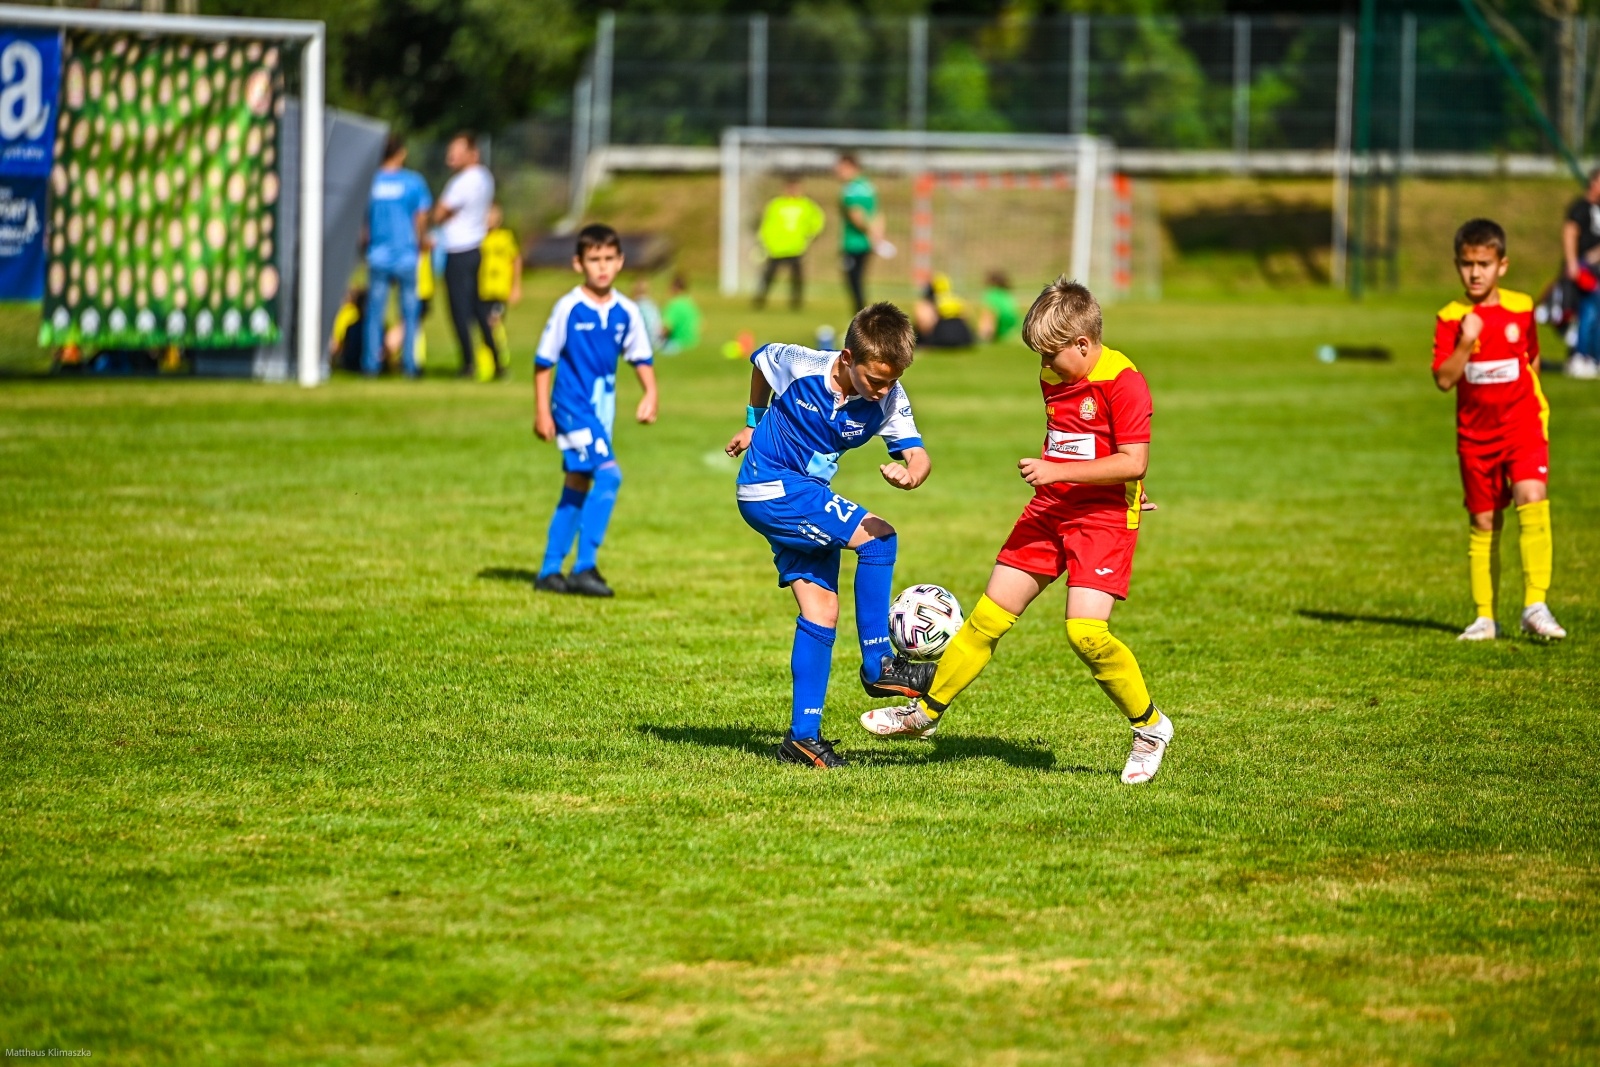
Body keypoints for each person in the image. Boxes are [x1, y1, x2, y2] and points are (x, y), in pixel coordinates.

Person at [859, 278, 1174, 786]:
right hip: (1050, 509)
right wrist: (1072, 477)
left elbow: (1132, 459)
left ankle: (1150, 728)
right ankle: (925, 713)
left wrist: (1085, 479)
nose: (1045, 365)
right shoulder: (1053, 372)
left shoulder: (1125, 382)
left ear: (1083, 344)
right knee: (986, 619)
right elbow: (1087, 445)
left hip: (1102, 520)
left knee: (1085, 633)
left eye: (1052, 354)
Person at [724, 302, 936, 769]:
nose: (883, 389)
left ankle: (803, 738)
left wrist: (912, 474)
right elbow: (760, 360)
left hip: (802, 495)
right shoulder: (803, 366)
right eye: (874, 379)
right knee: (879, 539)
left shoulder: (889, 398)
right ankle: (879, 664)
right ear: (846, 358)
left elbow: (917, 453)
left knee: (821, 609)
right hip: (769, 485)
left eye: (891, 380)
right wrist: (753, 420)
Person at [1432, 218, 1566, 641]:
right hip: (1475, 437)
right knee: (1485, 521)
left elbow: (1532, 359)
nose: (1475, 273)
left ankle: (1535, 604)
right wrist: (1466, 343)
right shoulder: (1451, 318)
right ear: (1458, 265)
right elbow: (1444, 379)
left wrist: (1533, 407)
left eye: (1484, 263)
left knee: (1532, 496)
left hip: (1523, 427)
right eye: (1467, 264)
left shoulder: (1522, 308)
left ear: (1501, 265)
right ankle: (1485, 618)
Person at [533, 224, 659, 598]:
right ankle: (584, 566)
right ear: (578, 263)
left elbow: (641, 356)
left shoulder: (627, 311)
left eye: (608, 259)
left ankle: (549, 570)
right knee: (609, 475)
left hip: (601, 409)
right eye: (594, 259)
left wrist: (650, 393)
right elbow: (544, 362)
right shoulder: (568, 307)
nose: (602, 267)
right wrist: (542, 411)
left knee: (577, 483)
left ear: (620, 261)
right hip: (571, 406)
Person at [432, 131, 502, 379]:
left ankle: (468, 363)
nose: (451, 156)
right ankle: (497, 360)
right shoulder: (485, 178)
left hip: (458, 249)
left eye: (457, 151)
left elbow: (439, 213)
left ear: (472, 153)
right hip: (476, 247)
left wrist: (440, 217)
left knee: (459, 310)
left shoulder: (461, 182)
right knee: (479, 308)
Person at [364, 134, 432, 378]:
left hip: (377, 255)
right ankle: (410, 365)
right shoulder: (413, 182)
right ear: (401, 153)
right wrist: (423, 240)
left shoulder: (370, 182)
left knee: (374, 313)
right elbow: (421, 217)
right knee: (410, 313)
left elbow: (362, 222)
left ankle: (370, 365)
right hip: (405, 255)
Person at [755, 175, 825, 310]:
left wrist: (811, 235)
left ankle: (796, 303)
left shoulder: (806, 205)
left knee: (797, 277)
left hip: (797, 247)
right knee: (769, 275)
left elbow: (818, 221)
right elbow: (767, 224)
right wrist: (764, 241)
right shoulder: (776, 204)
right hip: (777, 247)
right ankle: (760, 300)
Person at [1562, 168, 1600, 378]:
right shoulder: (1581, 208)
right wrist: (1573, 264)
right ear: (1593, 183)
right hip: (1583, 268)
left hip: (1597, 269)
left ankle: (1595, 357)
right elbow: (1570, 233)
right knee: (1588, 312)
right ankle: (1580, 356)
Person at [477, 202, 522, 379]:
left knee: (493, 323)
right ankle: (485, 366)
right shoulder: (478, 238)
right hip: (483, 290)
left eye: (492, 214)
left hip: (499, 291)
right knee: (483, 327)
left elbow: (515, 260)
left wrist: (515, 286)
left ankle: (500, 361)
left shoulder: (506, 237)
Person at [836, 153, 882, 313]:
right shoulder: (868, 186)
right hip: (867, 242)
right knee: (858, 281)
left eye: (841, 168)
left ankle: (860, 323)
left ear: (851, 167)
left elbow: (856, 215)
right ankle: (861, 321)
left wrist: (869, 230)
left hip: (854, 243)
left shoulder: (850, 189)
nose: (838, 171)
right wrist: (877, 235)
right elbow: (877, 213)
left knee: (854, 282)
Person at [913, 272, 975, 348]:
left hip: (942, 336)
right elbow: (966, 317)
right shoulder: (957, 299)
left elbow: (924, 322)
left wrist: (924, 338)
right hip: (963, 336)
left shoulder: (931, 301)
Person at [660, 273, 701, 355]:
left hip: (678, 344)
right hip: (693, 343)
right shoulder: (690, 302)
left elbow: (667, 328)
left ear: (674, 288)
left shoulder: (674, 304)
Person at [979, 270, 1022, 343]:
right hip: (1017, 332)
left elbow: (990, 317)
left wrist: (983, 338)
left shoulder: (991, 295)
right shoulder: (1007, 295)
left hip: (1003, 336)